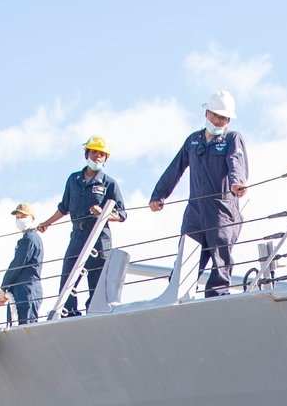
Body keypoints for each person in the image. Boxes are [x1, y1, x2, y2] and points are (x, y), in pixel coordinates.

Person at [149, 92, 248, 298]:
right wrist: (159, 195)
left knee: (221, 261)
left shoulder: (232, 138)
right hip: (195, 211)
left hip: (222, 210)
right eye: (216, 116)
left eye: (224, 118)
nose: (220, 121)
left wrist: (237, 183)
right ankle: (176, 300)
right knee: (185, 262)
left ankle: (216, 302)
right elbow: (175, 168)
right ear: (207, 113)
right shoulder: (193, 141)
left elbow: (236, 163)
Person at [38, 136, 126, 316]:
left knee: (98, 280)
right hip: (78, 236)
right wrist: (47, 223)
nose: (97, 157)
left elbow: (122, 214)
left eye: (102, 154)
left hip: (99, 238)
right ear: (87, 154)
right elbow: (64, 208)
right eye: (94, 152)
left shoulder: (109, 183)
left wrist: (104, 213)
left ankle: (94, 313)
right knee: (68, 277)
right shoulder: (73, 180)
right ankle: (68, 313)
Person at [0, 204, 44, 325]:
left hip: (26, 289)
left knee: (25, 327)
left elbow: (17, 264)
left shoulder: (30, 239)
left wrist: (4, 287)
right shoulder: (29, 239)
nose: (20, 220)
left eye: (23, 216)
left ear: (32, 218)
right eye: (18, 217)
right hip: (21, 289)